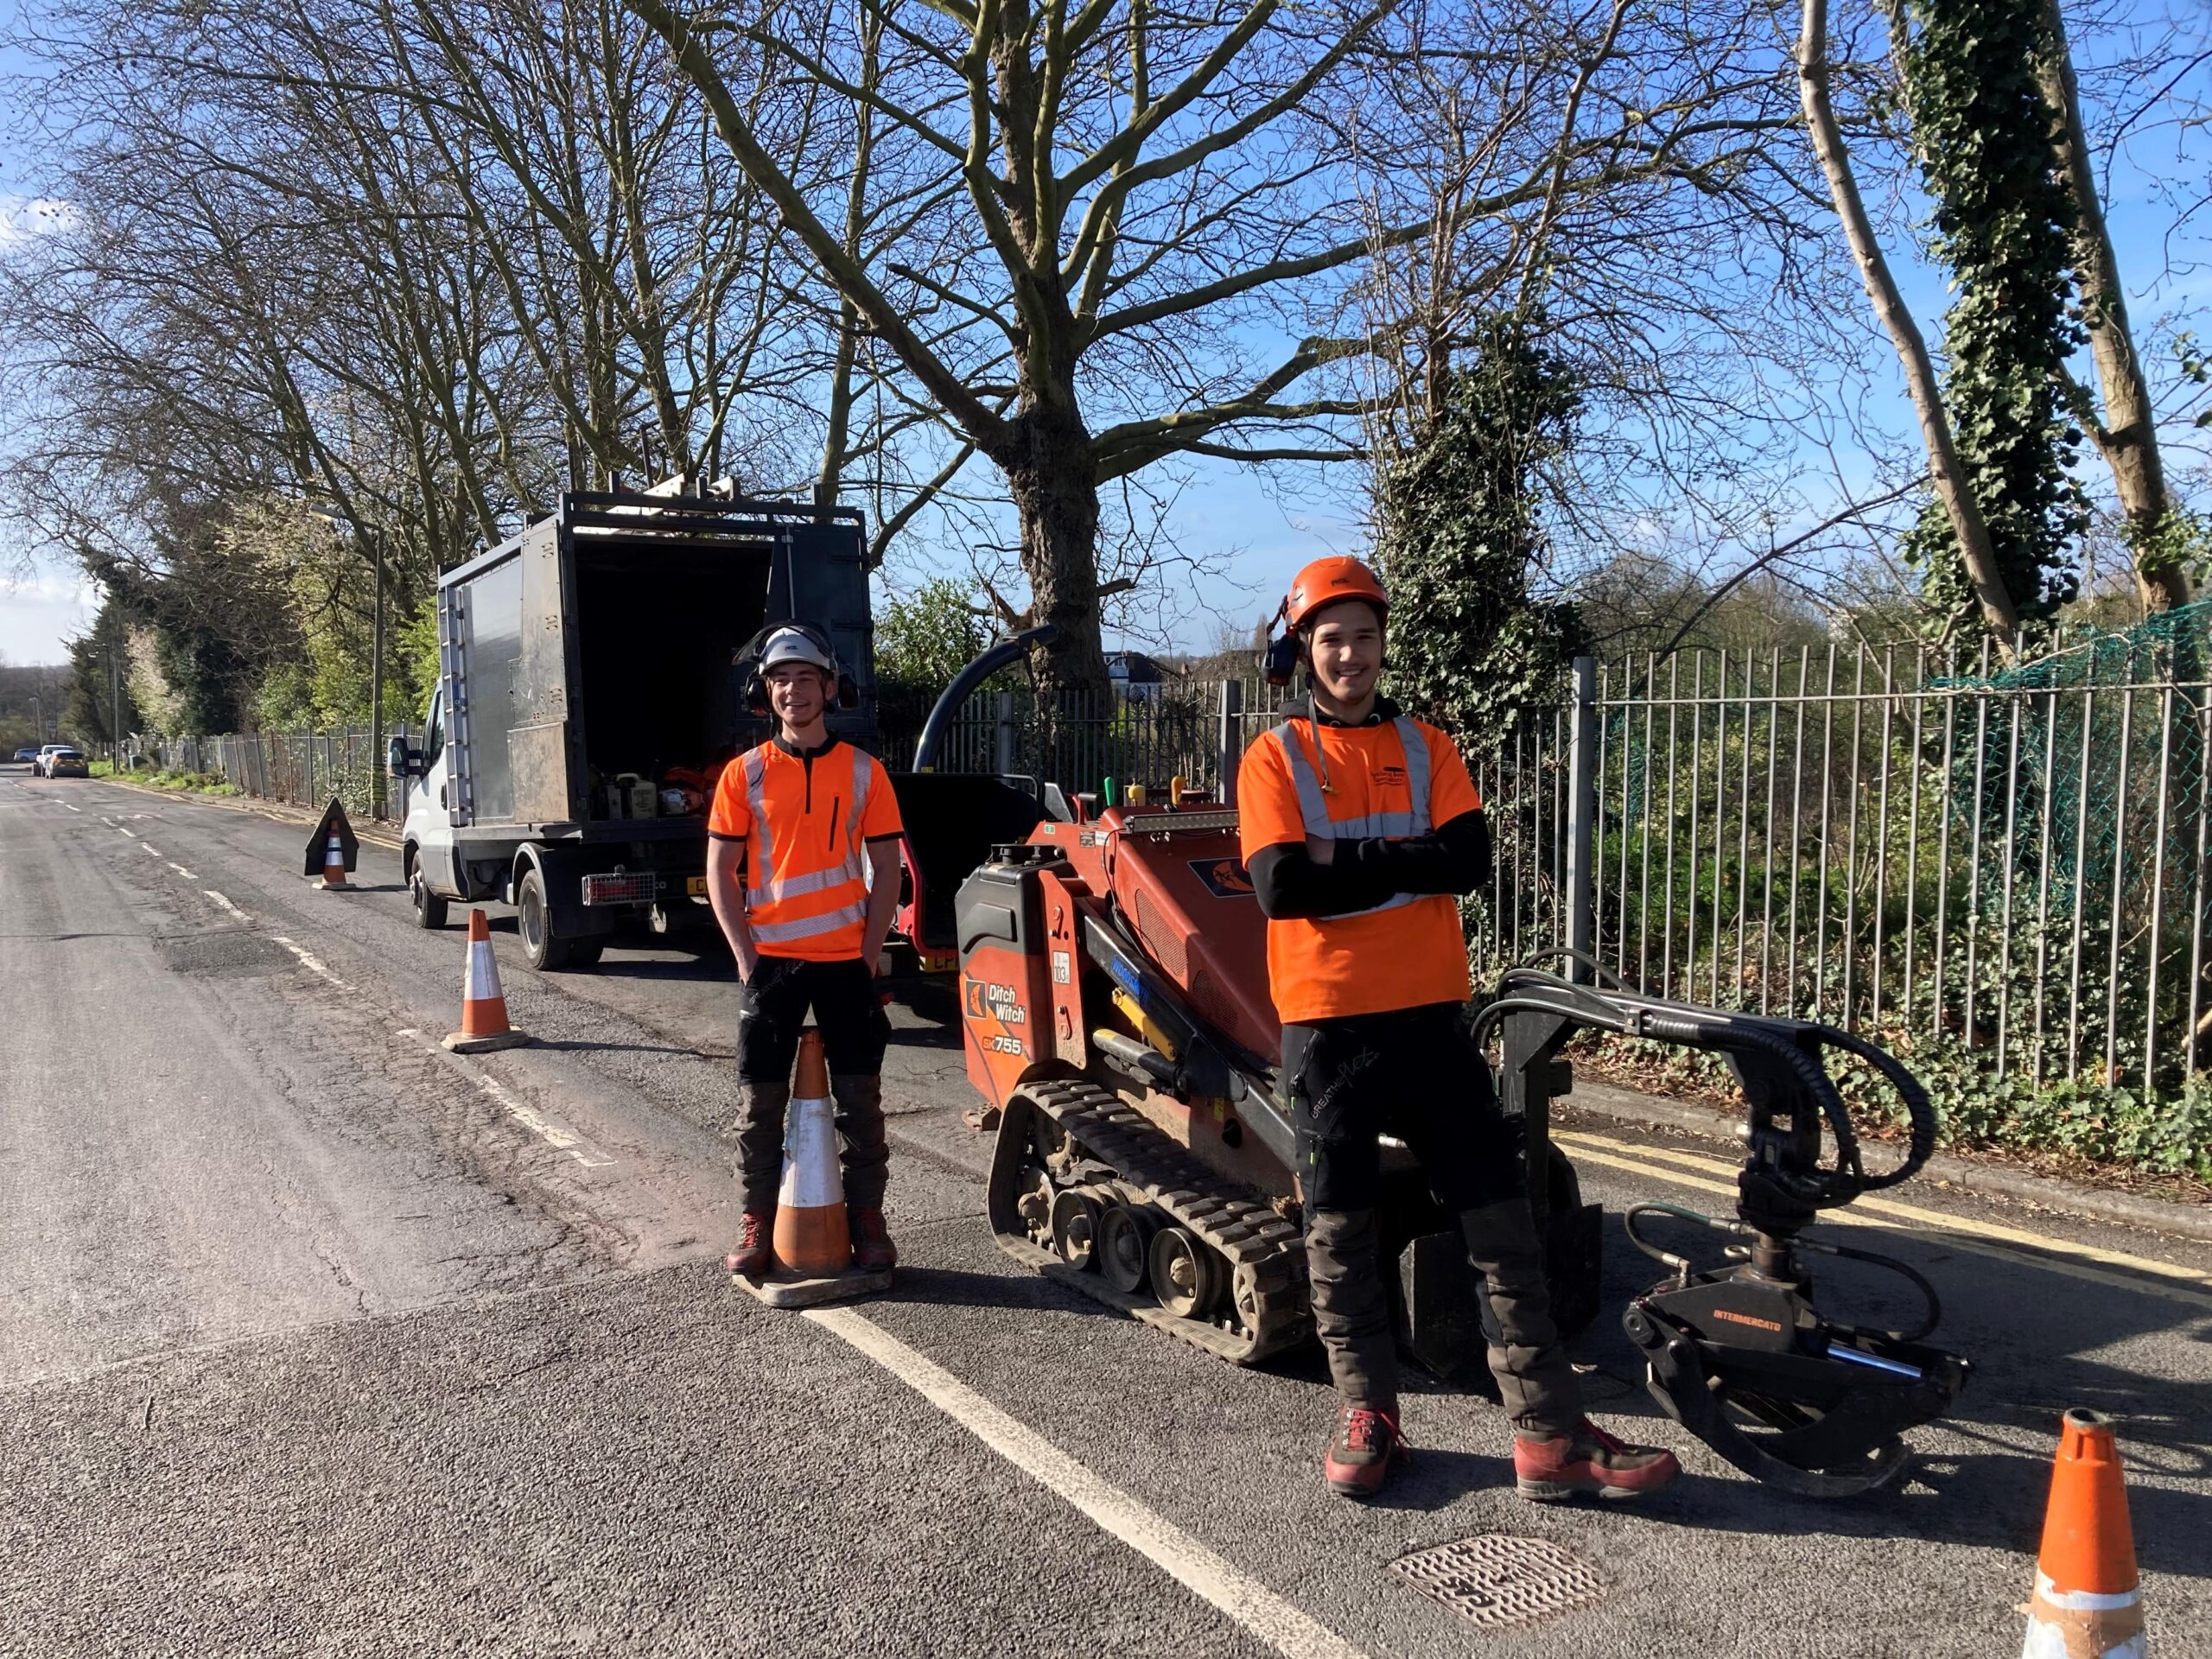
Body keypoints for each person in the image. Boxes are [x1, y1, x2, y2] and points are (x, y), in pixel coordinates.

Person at [1237, 556, 1679, 1502]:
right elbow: (1282, 887)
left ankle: (1549, 1434)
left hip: (1432, 1020)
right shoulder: (1274, 758)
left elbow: (1468, 861)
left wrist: (1342, 861)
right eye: (1330, 639)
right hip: (1327, 1031)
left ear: (1383, 643)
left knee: (1498, 1222)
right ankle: (1369, 1416)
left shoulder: (1429, 744)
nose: (1348, 654)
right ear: (1303, 652)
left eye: (1363, 635)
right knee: (1340, 1234)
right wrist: (1407, 860)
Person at [707, 623, 905, 1277]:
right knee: (759, 1104)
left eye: (806, 679)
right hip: (774, 964)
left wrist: (869, 952)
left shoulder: (865, 771)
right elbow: (720, 873)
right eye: (781, 680)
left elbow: (889, 873)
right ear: (766, 692)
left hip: (845, 963)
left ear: (830, 686)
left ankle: (868, 1220)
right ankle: (757, 1218)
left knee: (862, 1103)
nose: (794, 691)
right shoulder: (745, 774)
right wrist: (746, 959)